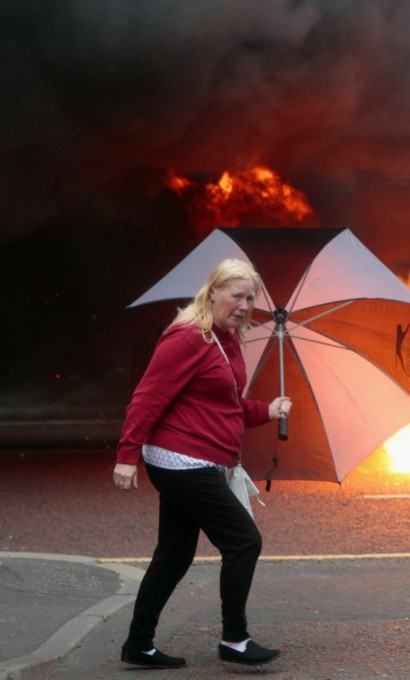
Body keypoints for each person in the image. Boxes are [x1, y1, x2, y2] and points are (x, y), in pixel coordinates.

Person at [113, 258, 291, 669]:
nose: (245, 304)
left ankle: (138, 644)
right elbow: (148, 396)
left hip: (201, 460)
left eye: (250, 297)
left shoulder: (226, 340)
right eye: (236, 295)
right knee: (243, 541)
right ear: (213, 291)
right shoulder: (188, 338)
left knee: (173, 556)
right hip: (182, 461)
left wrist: (268, 410)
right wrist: (126, 456)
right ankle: (234, 640)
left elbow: (224, 404)